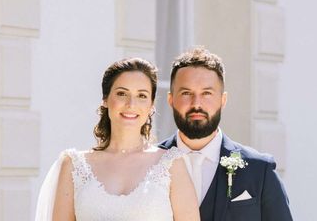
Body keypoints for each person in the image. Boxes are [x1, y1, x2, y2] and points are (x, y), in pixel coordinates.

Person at [34, 57, 200, 221]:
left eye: (142, 96)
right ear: (105, 99)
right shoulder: (73, 165)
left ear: (151, 106)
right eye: (122, 93)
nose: (131, 104)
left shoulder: (172, 164)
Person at [159, 47, 293, 220]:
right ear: (171, 99)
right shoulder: (148, 164)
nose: (196, 103)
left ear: (223, 100)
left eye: (207, 93)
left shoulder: (260, 170)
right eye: (186, 93)